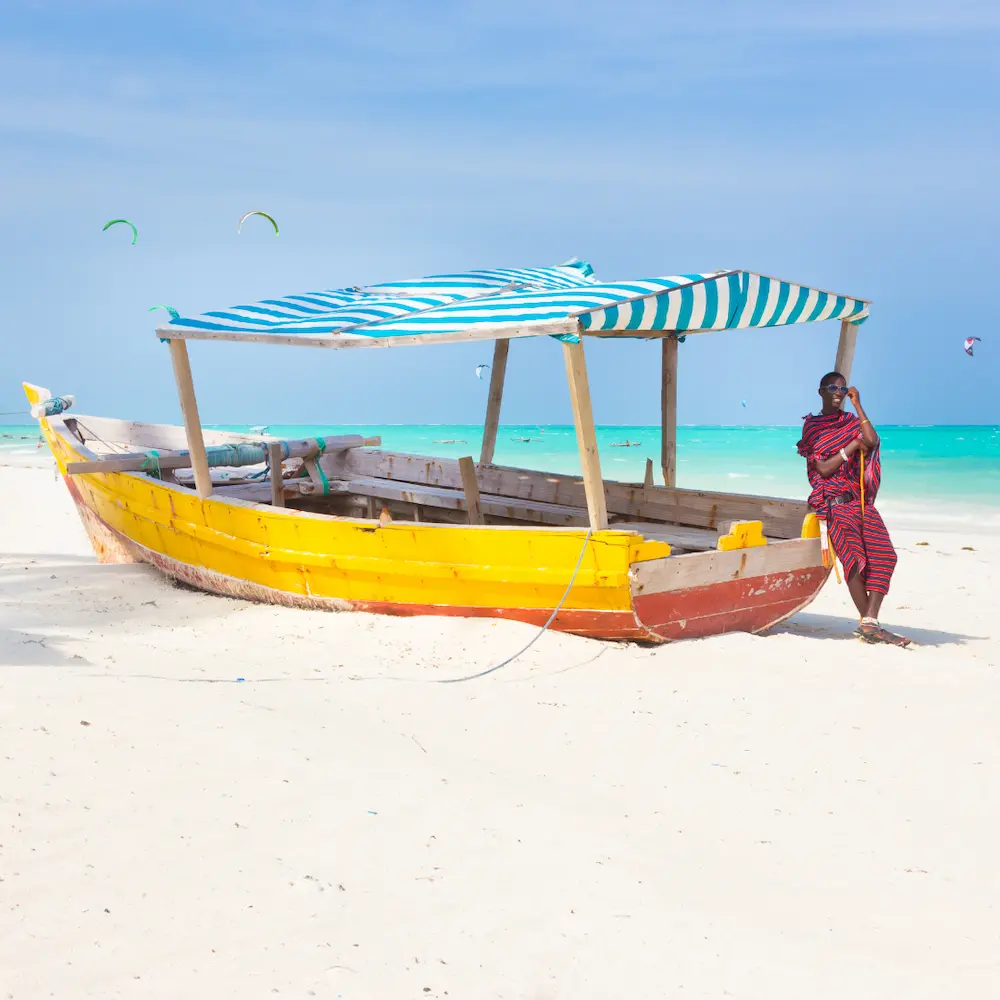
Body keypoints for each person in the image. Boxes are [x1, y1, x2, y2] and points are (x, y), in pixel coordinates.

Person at [797, 372, 909, 646]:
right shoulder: (812, 427)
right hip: (834, 503)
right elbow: (822, 468)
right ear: (820, 391)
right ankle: (871, 625)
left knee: (886, 556)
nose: (838, 391)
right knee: (855, 562)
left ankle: (869, 621)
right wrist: (850, 448)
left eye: (843, 388)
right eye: (833, 387)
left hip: (860, 502)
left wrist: (858, 406)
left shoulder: (850, 421)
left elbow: (871, 440)